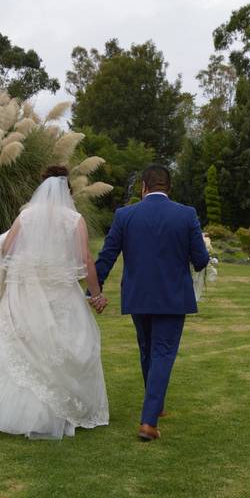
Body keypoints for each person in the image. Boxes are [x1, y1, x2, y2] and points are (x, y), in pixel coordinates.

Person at [0, 166, 109, 439]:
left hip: (25, 291)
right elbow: (85, 260)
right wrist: (95, 294)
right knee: (60, 345)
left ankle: (4, 411)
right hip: (61, 292)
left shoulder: (26, 216)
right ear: (68, 191)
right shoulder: (74, 220)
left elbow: (5, 249)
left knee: (19, 344)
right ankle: (54, 412)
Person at [92, 164, 210, 441]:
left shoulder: (125, 215)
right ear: (168, 187)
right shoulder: (187, 215)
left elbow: (107, 255)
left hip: (137, 295)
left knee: (147, 349)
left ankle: (155, 405)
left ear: (144, 186)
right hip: (172, 296)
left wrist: (92, 290)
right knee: (163, 352)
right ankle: (148, 422)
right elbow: (201, 260)